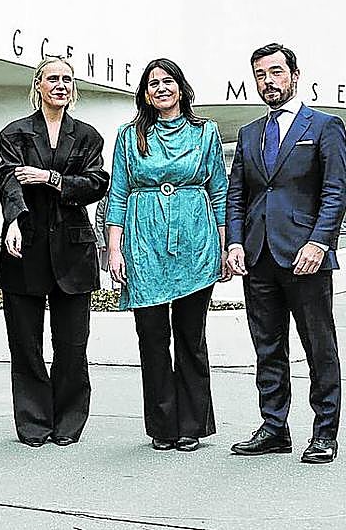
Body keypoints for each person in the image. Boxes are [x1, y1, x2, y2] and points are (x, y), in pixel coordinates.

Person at [226, 43, 346, 464]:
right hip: (258, 257)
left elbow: (335, 192)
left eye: (276, 72)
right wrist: (235, 242)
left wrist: (319, 242)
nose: (268, 81)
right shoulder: (249, 133)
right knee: (267, 347)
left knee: (319, 345)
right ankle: (274, 428)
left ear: (295, 74)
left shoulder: (325, 126)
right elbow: (237, 194)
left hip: (305, 256)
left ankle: (324, 433)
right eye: (260, 74)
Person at [106, 58, 228, 452]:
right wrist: (114, 249)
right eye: (152, 83)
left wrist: (226, 247)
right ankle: (162, 425)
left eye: (167, 81)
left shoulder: (205, 131)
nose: (160, 88)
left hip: (195, 240)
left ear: (181, 87)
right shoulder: (129, 135)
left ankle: (192, 424)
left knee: (191, 336)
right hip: (144, 242)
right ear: (144, 93)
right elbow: (118, 195)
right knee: (152, 336)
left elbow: (220, 193)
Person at [0, 57, 108, 447]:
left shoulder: (89, 135)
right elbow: (8, 178)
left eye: (66, 79)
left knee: (72, 344)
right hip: (25, 245)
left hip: (73, 251)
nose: (60, 85)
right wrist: (12, 220)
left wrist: (51, 178)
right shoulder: (15, 133)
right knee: (26, 343)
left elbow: (96, 183)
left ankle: (68, 422)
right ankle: (33, 423)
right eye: (52, 79)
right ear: (38, 85)